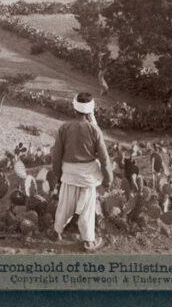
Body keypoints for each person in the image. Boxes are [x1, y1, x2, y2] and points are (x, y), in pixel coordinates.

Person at [50, 92, 114, 251]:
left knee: (64, 206)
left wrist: (58, 175)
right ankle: (89, 241)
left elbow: (56, 155)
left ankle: (56, 231)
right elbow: (105, 159)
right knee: (87, 210)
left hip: (69, 174)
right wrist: (108, 179)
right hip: (88, 176)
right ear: (91, 110)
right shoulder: (94, 130)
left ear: (74, 108)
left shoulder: (64, 128)